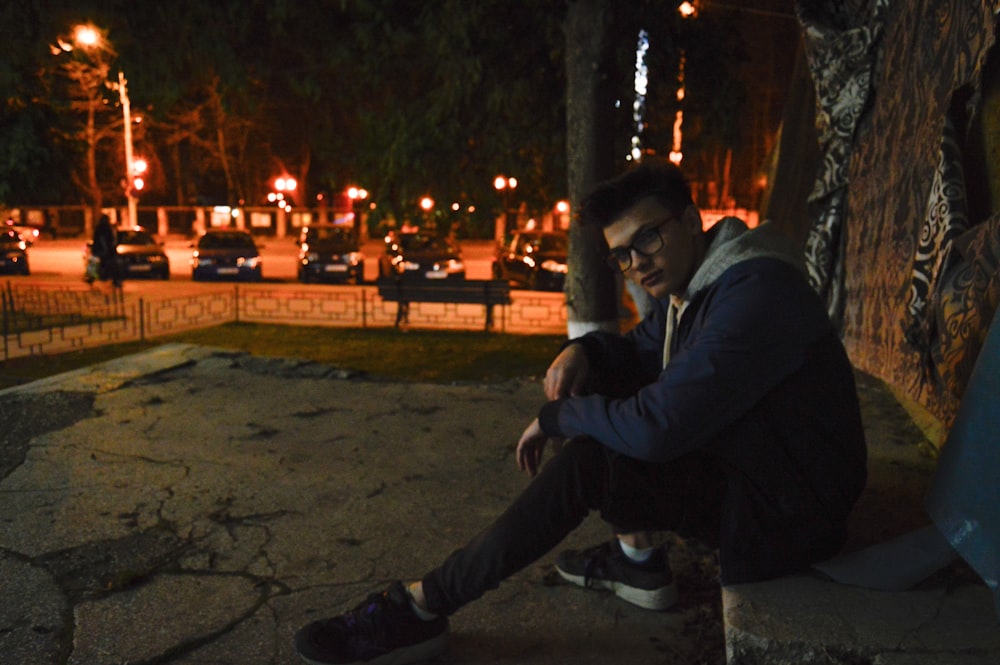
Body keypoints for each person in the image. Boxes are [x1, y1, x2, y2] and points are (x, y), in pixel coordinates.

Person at [293, 161, 868, 665]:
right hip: (760, 471)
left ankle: (420, 606)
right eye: (622, 255)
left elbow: (657, 429)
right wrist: (583, 350)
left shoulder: (753, 293)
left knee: (593, 456)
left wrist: (555, 420)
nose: (637, 264)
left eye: (648, 239)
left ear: (691, 220)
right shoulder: (702, 280)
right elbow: (642, 348)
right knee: (599, 384)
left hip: (792, 516)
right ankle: (636, 559)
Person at [91, 214, 121, 288]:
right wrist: (106, 249)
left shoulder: (102, 227)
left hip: (103, 250)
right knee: (111, 265)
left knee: (103, 265)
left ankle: (96, 278)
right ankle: (113, 280)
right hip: (105, 251)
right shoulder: (104, 228)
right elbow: (103, 239)